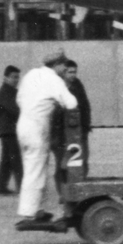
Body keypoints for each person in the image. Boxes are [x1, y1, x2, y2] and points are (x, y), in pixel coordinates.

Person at [14, 51, 78, 231]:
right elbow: (71, 103)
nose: (65, 68)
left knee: (32, 168)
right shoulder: (53, 80)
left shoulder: (31, 75)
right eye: (63, 64)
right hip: (37, 129)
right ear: (56, 64)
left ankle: (37, 210)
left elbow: (19, 99)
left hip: (23, 125)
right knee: (36, 169)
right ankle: (29, 213)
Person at [0, 65, 22, 195]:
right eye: (14, 77)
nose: (16, 80)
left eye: (18, 77)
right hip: (9, 130)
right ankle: (22, 187)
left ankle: (0, 187)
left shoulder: (11, 91)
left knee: (7, 159)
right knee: (15, 159)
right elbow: (14, 109)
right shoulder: (5, 92)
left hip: (8, 129)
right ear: (5, 78)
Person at [61, 59, 92, 177]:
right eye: (70, 72)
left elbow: (85, 106)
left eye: (75, 72)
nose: (73, 75)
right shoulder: (58, 86)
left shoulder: (77, 84)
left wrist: (86, 126)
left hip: (80, 129)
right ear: (64, 72)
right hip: (64, 131)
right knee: (65, 161)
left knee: (83, 158)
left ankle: (82, 182)